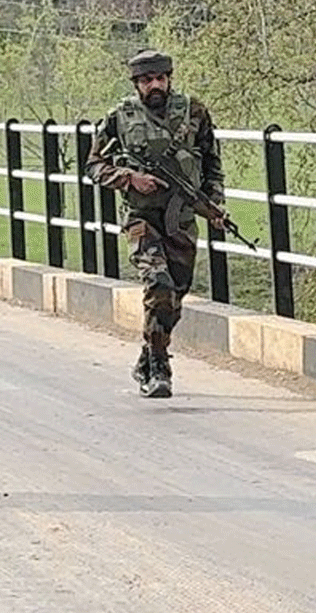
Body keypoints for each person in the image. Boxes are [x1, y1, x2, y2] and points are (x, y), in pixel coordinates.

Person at [86, 49, 228, 398]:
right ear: (136, 84)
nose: (155, 86)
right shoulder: (120, 117)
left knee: (174, 298)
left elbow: (212, 162)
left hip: (180, 220)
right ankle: (160, 366)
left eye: (160, 79)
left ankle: (148, 355)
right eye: (147, 80)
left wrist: (214, 204)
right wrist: (129, 178)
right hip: (141, 219)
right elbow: (93, 165)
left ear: (169, 79)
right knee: (159, 286)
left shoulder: (194, 112)